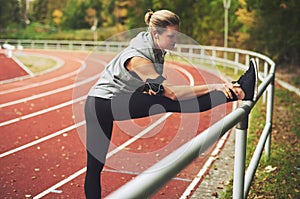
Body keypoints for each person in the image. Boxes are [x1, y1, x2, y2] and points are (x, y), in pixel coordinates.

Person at [84, 9, 258, 198]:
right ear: (156, 34)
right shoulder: (139, 58)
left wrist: (146, 88)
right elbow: (173, 94)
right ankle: (237, 92)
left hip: (114, 99)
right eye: (172, 36)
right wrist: (217, 85)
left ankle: (237, 91)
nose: (176, 40)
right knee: (95, 166)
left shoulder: (156, 49)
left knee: (95, 167)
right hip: (102, 105)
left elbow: (146, 85)